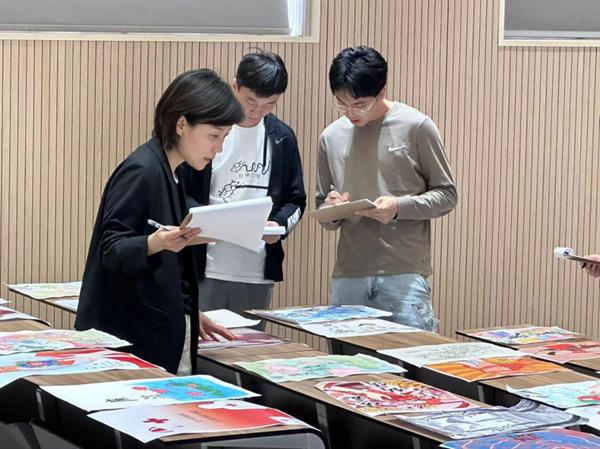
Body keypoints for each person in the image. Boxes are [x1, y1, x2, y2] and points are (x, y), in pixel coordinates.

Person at [75, 69, 243, 375]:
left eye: (224, 138)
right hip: (133, 341)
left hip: (161, 327)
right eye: (214, 136)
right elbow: (111, 250)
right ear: (181, 124)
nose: (218, 148)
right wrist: (156, 242)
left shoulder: (172, 171)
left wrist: (188, 312)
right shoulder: (143, 170)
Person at [315, 46, 458, 332]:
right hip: (349, 273)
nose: (350, 112)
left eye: (360, 104)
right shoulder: (331, 137)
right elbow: (323, 209)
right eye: (341, 103)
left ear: (382, 92)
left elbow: (447, 195)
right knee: (345, 359)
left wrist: (398, 207)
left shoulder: (417, 126)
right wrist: (331, 208)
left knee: (410, 357)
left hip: (403, 272)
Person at [180, 51, 306, 321]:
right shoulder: (208, 130)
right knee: (201, 342)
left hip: (256, 270)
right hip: (205, 265)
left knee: (249, 344)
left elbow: (295, 200)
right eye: (251, 101)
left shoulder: (282, 137)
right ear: (235, 86)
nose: (257, 112)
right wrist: (205, 221)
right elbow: (181, 191)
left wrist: (279, 225)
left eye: (269, 105)